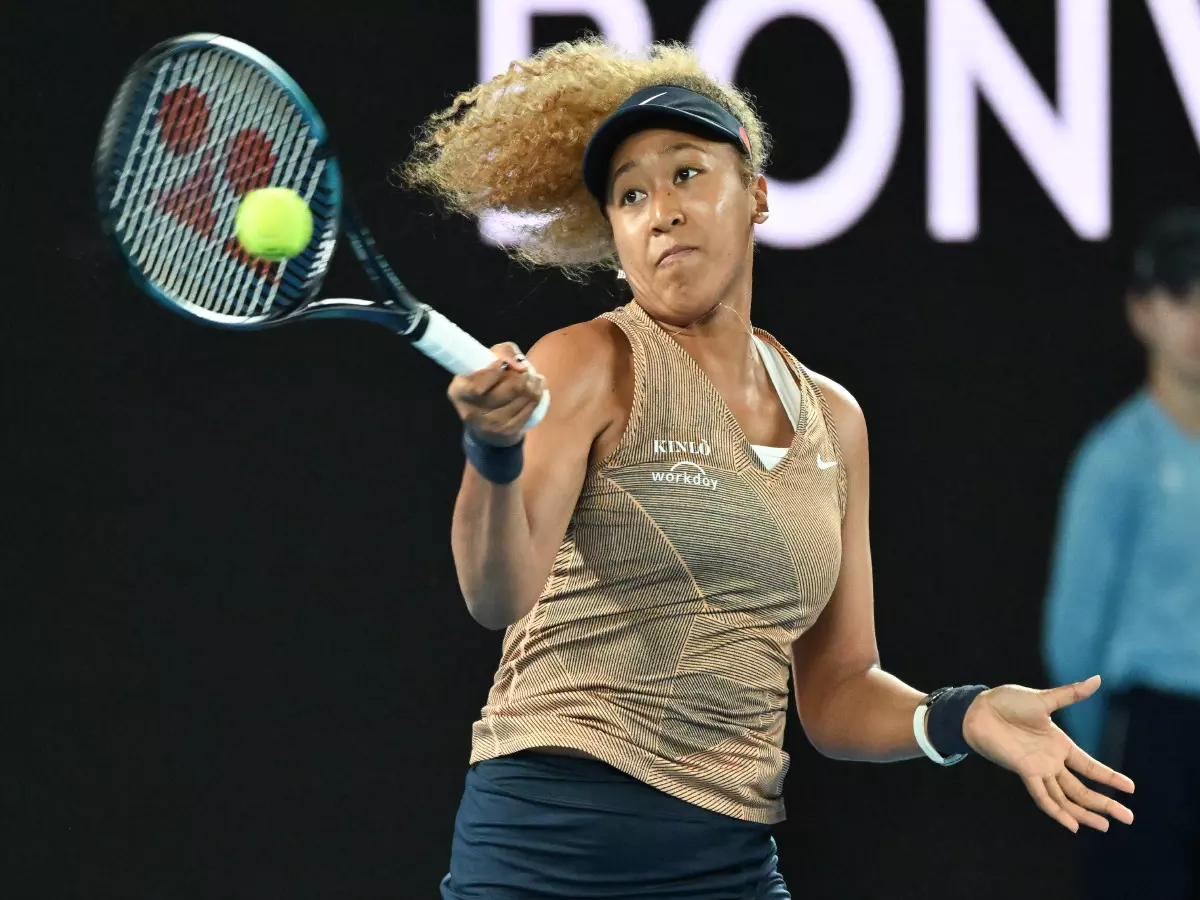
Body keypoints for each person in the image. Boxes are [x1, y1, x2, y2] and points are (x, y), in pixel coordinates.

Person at [401, 38, 1135, 899]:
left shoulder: (835, 419)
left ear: (753, 194)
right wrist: (491, 454)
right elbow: (498, 596)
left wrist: (961, 714)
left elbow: (835, 690)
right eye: (629, 195)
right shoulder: (588, 362)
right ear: (616, 236)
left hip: (727, 863)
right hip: (549, 844)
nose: (660, 211)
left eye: (685, 174)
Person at [1043, 209, 1200, 900]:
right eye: (1179, 298)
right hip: (1155, 743)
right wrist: (1097, 757)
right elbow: (1074, 636)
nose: (1197, 320)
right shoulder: (1115, 459)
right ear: (1143, 312)